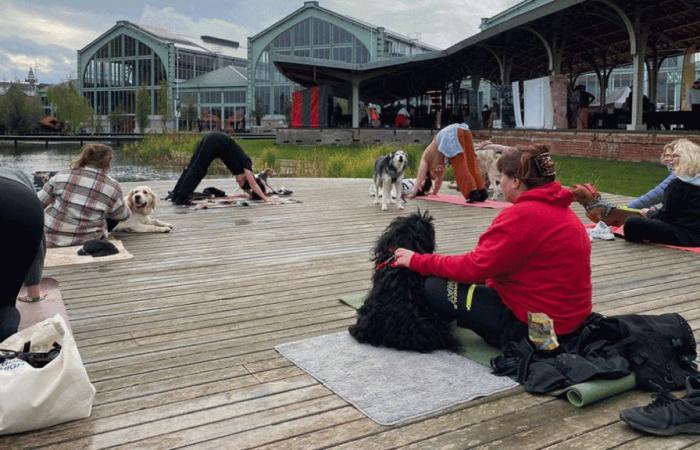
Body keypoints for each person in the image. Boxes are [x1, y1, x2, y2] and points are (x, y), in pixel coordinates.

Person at [395, 145, 592, 348]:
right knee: (474, 283)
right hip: (571, 325)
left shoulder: (523, 215)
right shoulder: (563, 211)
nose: (500, 182)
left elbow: (473, 267)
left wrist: (417, 260)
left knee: (434, 286)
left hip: (539, 333)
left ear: (515, 181)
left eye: (501, 177)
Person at [39, 144, 130, 248]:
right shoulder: (112, 186)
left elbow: (38, 202)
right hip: (88, 243)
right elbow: (122, 216)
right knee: (113, 211)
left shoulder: (62, 174)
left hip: (51, 238)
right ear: (108, 162)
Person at [624, 139, 700, 247]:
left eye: (675, 156)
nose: (671, 161)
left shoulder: (678, 184)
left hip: (685, 236)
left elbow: (666, 217)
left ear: (686, 159)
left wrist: (649, 213)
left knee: (632, 223)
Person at [0, 168, 45, 339]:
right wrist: (34, 287)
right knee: (4, 300)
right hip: (22, 204)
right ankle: (6, 324)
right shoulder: (14, 171)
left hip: (18, 201)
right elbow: (40, 238)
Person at [169, 131, 269, 205]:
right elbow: (254, 185)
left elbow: (249, 188)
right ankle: (182, 198)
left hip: (212, 139)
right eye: (239, 182)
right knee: (198, 169)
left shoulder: (242, 176)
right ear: (246, 180)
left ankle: (177, 194)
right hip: (216, 141)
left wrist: (250, 195)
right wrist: (265, 199)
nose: (237, 182)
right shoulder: (247, 165)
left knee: (191, 166)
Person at [409, 122, 488, 202]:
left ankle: (471, 192)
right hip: (463, 130)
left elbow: (420, 178)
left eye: (433, 176)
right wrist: (434, 192)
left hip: (450, 135)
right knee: (470, 162)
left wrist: (413, 191)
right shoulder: (438, 165)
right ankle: (481, 191)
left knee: (460, 165)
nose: (436, 175)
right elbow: (439, 180)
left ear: (428, 172)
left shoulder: (425, 159)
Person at [627, 140, 680, 209]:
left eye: (673, 156)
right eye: (667, 155)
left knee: (632, 220)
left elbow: (654, 195)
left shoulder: (678, 175)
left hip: (682, 218)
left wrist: (628, 207)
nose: (669, 158)